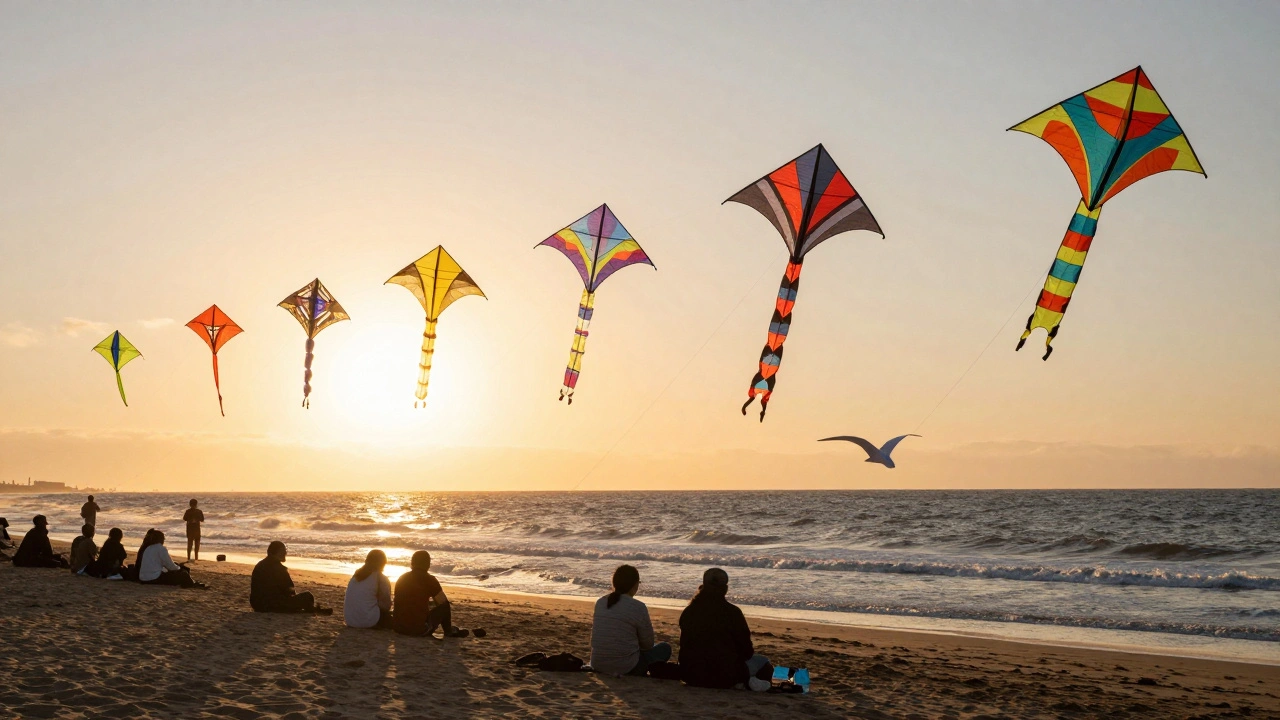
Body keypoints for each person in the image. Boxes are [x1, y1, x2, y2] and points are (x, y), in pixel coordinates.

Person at [678, 568, 772, 691]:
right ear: (725, 589)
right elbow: (746, 650)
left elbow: (684, 645)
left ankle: (743, 682)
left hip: (691, 674)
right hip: (725, 675)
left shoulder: (689, 611)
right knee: (765, 663)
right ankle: (744, 682)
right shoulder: (733, 612)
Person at [589, 564, 671, 676]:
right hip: (627, 667)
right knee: (665, 648)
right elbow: (648, 644)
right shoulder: (638, 607)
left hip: (597, 664)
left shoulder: (601, 602)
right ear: (635, 584)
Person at [394, 551, 467, 637]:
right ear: (428, 564)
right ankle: (448, 631)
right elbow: (442, 601)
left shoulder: (402, 578)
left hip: (398, 628)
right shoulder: (430, 580)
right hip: (419, 629)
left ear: (412, 563)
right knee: (444, 606)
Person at [250, 541, 332, 614]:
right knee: (308, 596)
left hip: (257, 605)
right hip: (272, 605)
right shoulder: (279, 568)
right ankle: (311, 609)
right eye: (283, 551)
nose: (285, 553)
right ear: (276, 553)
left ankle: (309, 609)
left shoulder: (260, 565)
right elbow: (290, 590)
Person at [344, 549, 392, 629]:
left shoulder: (356, 575)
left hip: (350, 620)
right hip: (368, 621)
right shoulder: (380, 578)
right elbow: (386, 605)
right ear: (383, 563)